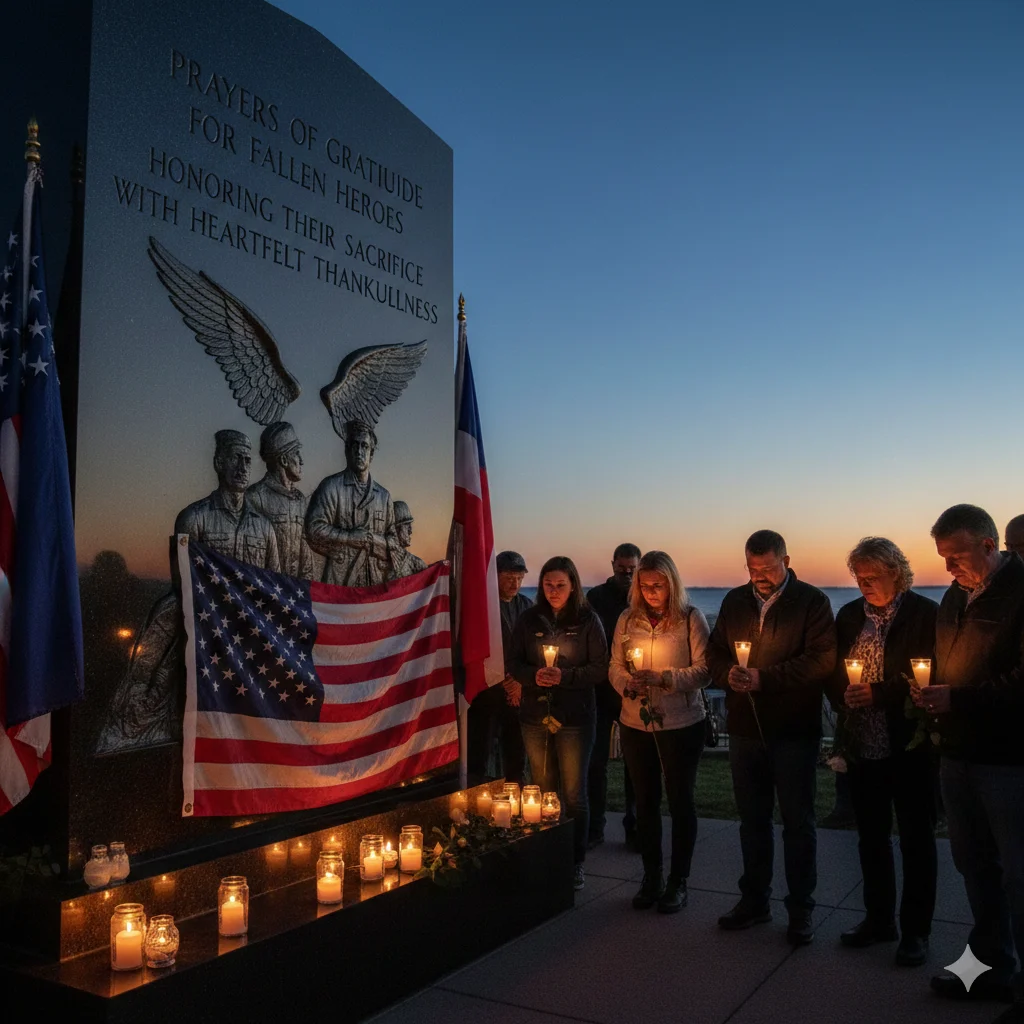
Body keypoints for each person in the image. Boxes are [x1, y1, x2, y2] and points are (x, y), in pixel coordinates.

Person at [917, 505, 1024, 1020]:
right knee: (974, 866)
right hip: (957, 754)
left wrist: (957, 699)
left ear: (988, 545)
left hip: (1007, 759)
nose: (947, 568)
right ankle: (985, 967)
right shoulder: (953, 598)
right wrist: (930, 694)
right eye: (943, 557)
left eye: (956, 556)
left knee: (1018, 876)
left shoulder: (1020, 592)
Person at [707, 529, 836, 946]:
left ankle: (800, 909)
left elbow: (821, 661)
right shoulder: (734, 601)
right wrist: (727, 674)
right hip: (744, 728)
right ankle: (754, 901)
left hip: (793, 731)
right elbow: (714, 652)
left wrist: (765, 678)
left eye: (767, 568)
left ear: (786, 560)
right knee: (752, 821)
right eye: (752, 569)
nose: (759, 576)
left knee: (797, 823)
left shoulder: (812, 602)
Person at [827, 537, 938, 967]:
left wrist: (877, 693)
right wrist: (843, 695)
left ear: (896, 572)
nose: (865, 584)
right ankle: (878, 920)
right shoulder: (849, 616)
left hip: (908, 745)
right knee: (871, 837)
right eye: (859, 577)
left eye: (872, 576)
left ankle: (916, 931)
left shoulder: (925, 614)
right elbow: (834, 670)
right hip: (863, 746)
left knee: (916, 839)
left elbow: (926, 673)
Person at [609, 550, 710, 913]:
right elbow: (614, 665)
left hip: (681, 724)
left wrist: (665, 678)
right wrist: (628, 683)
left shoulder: (690, 618)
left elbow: (705, 671)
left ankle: (678, 881)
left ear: (672, 584)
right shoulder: (627, 619)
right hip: (636, 723)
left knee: (680, 801)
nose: (651, 592)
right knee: (646, 801)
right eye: (645, 585)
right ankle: (651, 876)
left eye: (658, 585)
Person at [509, 556, 608, 891]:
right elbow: (514, 662)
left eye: (561, 585)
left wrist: (565, 676)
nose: (553, 591)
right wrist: (533, 675)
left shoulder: (587, 620)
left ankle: (575, 861)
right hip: (535, 716)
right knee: (542, 788)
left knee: (574, 792)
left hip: (576, 717)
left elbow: (599, 668)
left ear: (573, 585)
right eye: (548, 584)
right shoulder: (528, 619)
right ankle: (546, 855)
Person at [586, 543, 641, 848]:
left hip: (633, 692)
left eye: (632, 569)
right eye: (622, 568)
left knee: (635, 764)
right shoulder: (596, 597)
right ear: (613, 565)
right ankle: (595, 825)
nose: (627, 574)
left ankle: (635, 826)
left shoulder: (644, 596)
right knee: (596, 762)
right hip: (601, 691)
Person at [305, 421, 397, 586]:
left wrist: (374, 541)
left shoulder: (384, 497)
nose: (359, 451)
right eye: (354, 445)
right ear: (346, 450)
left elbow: (394, 544)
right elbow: (313, 529)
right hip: (340, 580)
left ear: (371, 454)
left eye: (364, 446)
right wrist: (348, 538)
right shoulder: (331, 487)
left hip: (374, 582)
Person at [175, 429, 280, 571]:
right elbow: (184, 578)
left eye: (247, 461)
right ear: (219, 463)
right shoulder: (193, 518)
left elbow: (274, 580)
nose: (243, 468)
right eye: (235, 458)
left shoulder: (265, 527)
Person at [466, 550, 531, 783]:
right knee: (480, 751)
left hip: (517, 692)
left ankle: (516, 791)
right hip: (486, 692)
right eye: (509, 577)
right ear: (495, 576)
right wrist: (503, 679)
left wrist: (520, 681)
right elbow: (475, 647)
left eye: (519, 578)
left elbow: (533, 647)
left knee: (516, 750)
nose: (515, 584)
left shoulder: (527, 606)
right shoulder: (482, 608)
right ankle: (476, 792)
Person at [247, 421, 319, 578]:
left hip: (296, 588)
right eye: (297, 453)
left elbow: (306, 553)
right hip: (267, 586)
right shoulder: (254, 497)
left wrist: (305, 585)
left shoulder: (300, 500)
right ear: (284, 460)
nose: (301, 461)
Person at [387, 501, 428, 579]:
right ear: (395, 529)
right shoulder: (380, 563)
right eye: (407, 526)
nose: (410, 531)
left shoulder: (417, 564)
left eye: (410, 526)